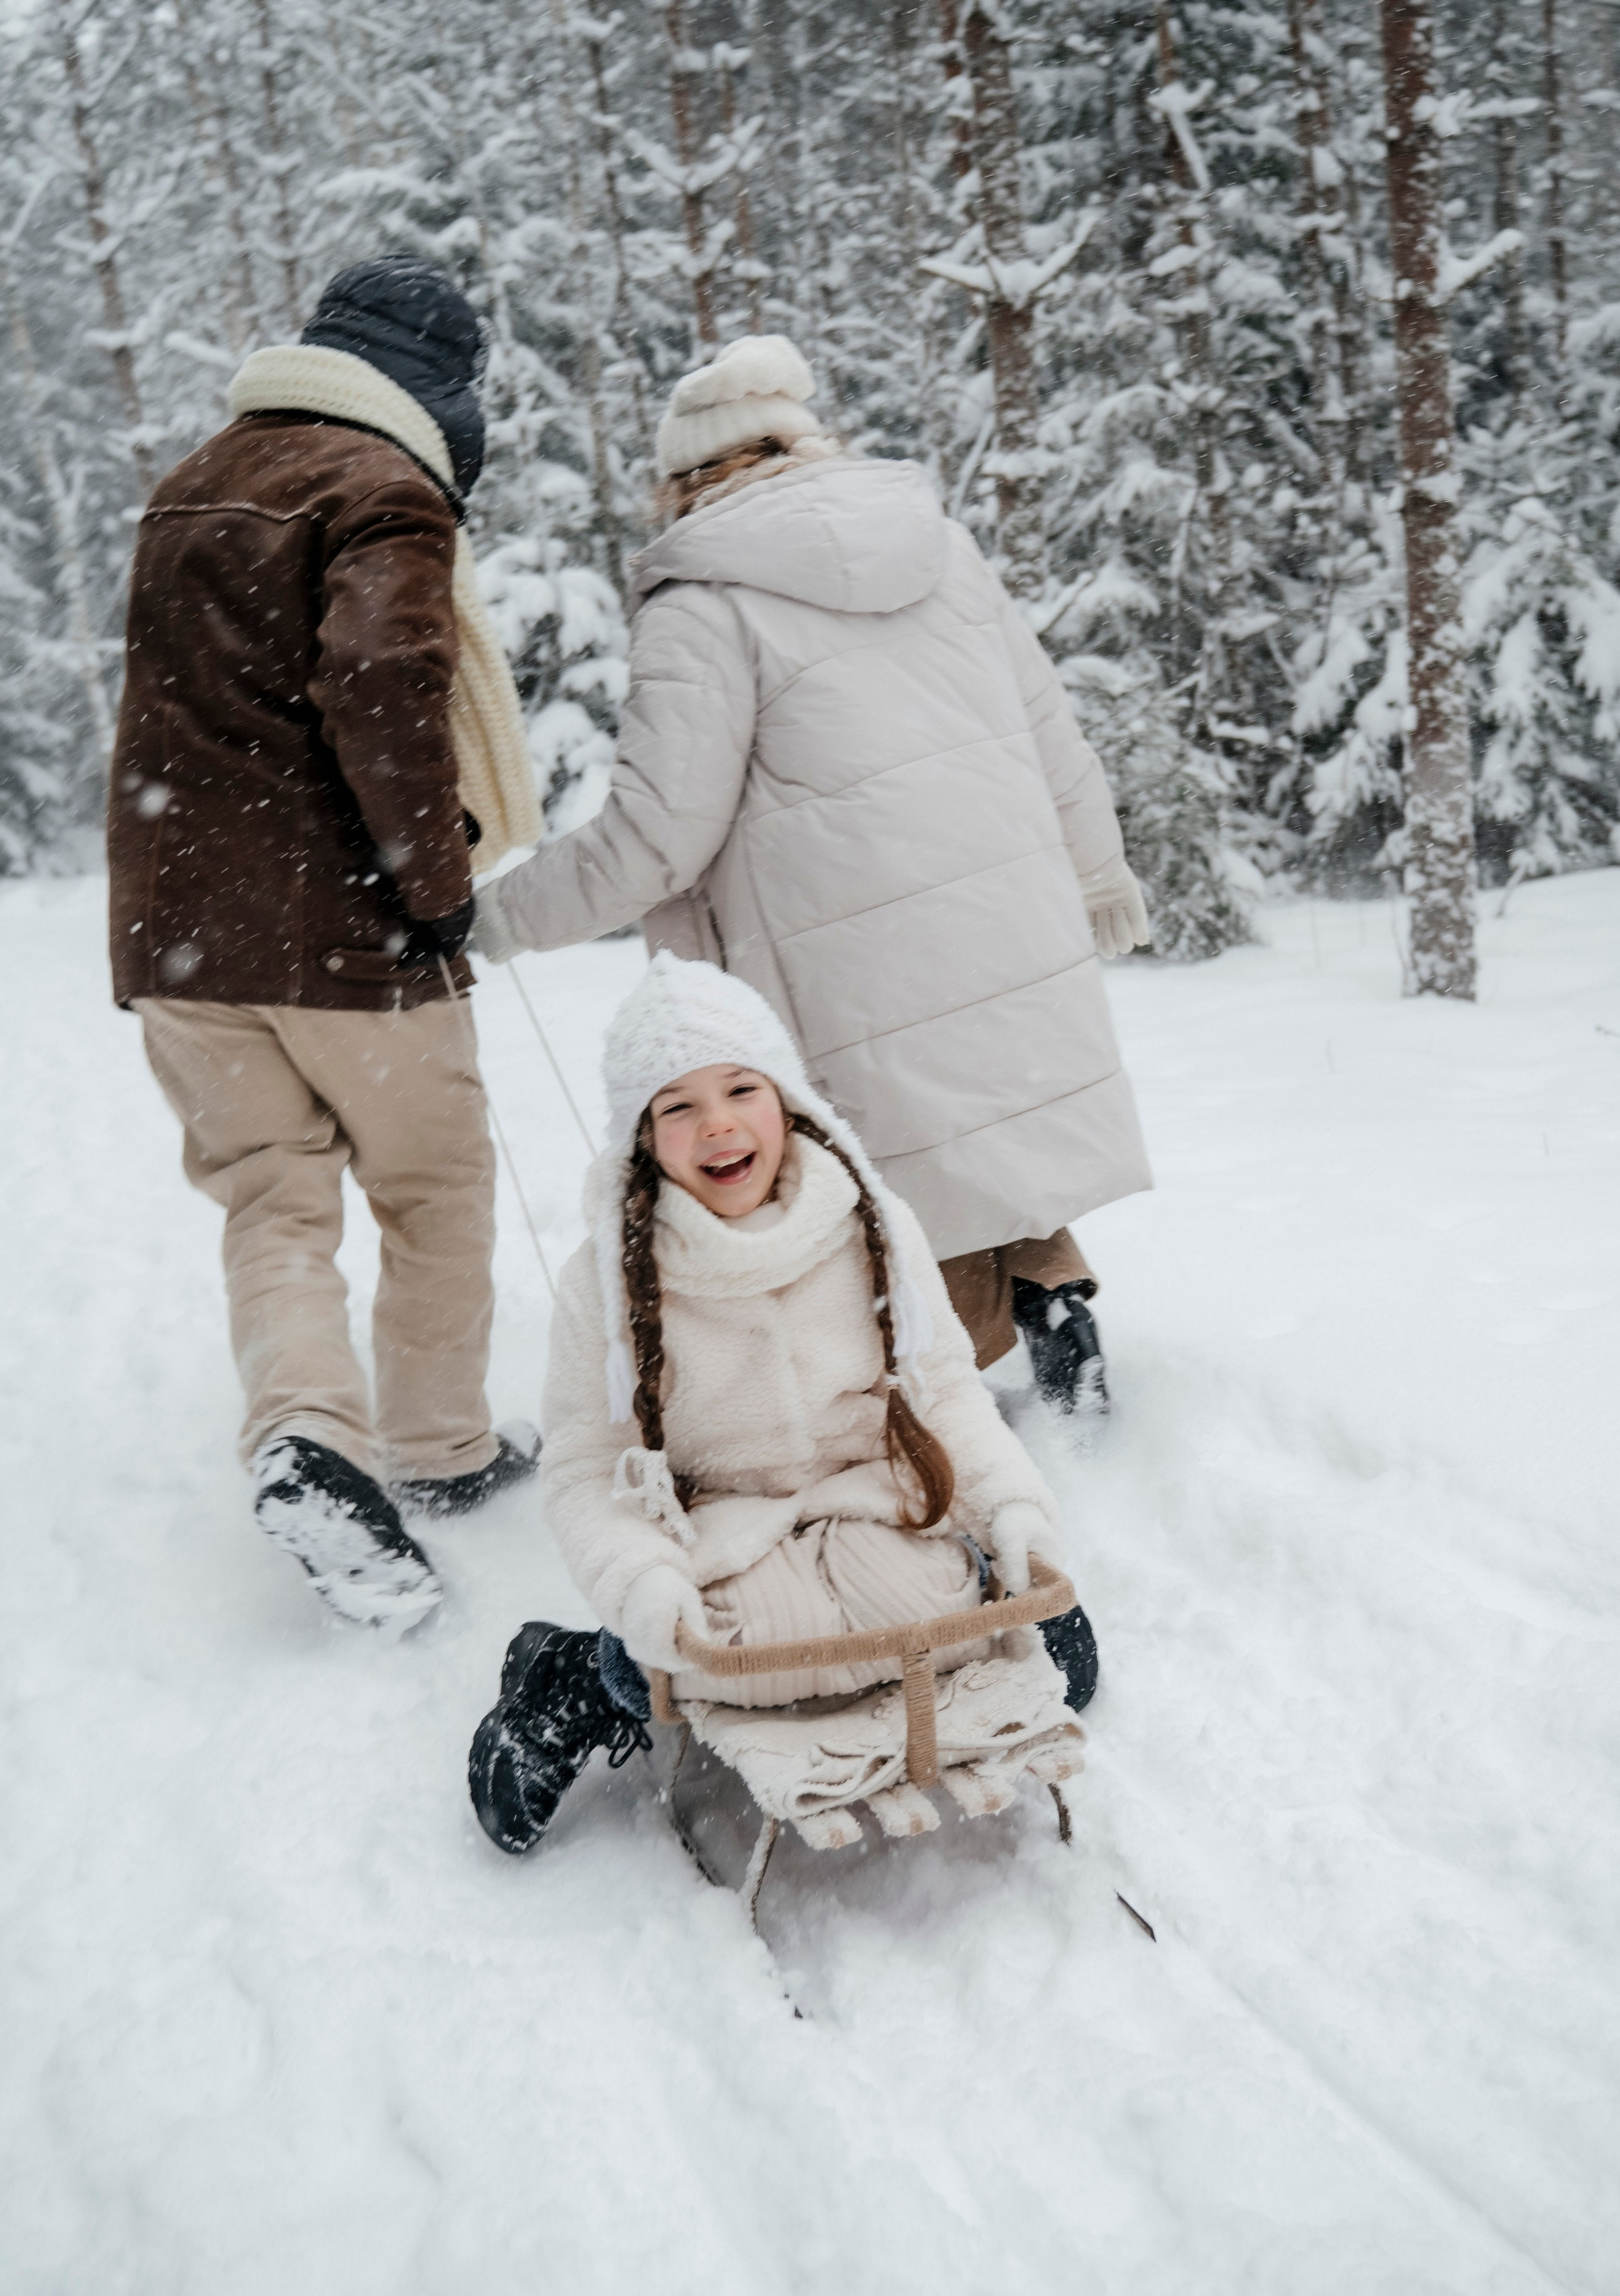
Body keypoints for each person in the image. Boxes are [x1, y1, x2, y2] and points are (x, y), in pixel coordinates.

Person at [470, 333, 1152, 1414]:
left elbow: (658, 836)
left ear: (688, 478)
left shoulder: (701, 598)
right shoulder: (941, 548)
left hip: (844, 940)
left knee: (889, 1171)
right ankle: (1054, 1289)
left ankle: (947, 1389)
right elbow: (1048, 731)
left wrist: (495, 918)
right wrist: (1098, 875)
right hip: (998, 900)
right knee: (983, 1122)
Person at [108, 256, 545, 1632]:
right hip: (342, 936)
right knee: (435, 1186)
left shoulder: (188, 482)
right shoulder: (381, 489)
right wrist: (434, 879)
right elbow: (379, 681)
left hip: (181, 940)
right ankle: (437, 1447)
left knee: (272, 1200)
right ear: (435, 390)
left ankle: (308, 1441)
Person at [468, 955, 1098, 1856]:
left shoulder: (876, 1226)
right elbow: (585, 1468)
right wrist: (646, 1588)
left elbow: (946, 1393)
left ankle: (974, 1604)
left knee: (1058, 1670)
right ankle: (582, 1674)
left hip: (881, 1516)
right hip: (726, 1548)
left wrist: (1012, 1516)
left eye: (739, 1090)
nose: (717, 1125)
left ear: (789, 1103)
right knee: (719, 1658)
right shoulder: (609, 1276)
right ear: (642, 1137)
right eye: (677, 1106)